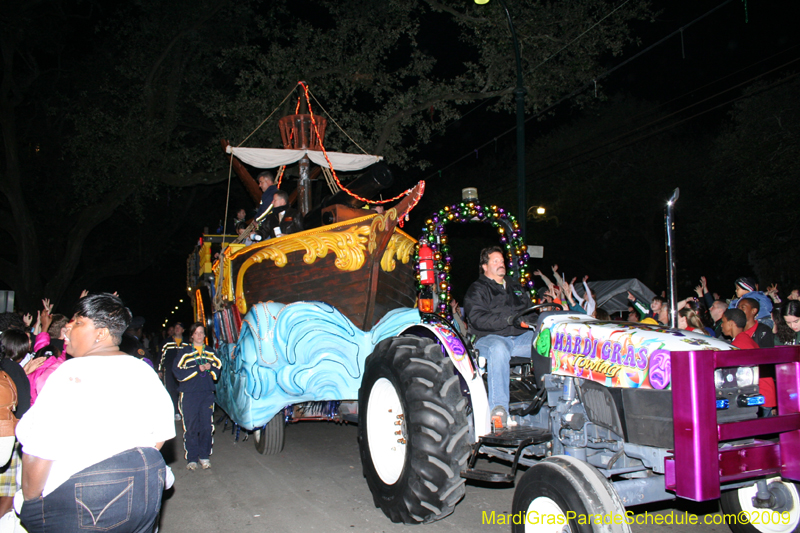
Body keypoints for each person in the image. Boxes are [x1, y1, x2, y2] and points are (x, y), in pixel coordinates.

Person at [15, 293, 175, 533]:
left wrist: (31, 504)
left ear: (100, 333)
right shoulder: (145, 372)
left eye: (78, 322)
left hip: (80, 506)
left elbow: (38, 453)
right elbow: (158, 437)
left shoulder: (70, 374)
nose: (68, 328)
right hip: (141, 499)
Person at [463, 246, 534, 427]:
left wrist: (531, 321)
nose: (501, 264)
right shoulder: (477, 289)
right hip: (488, 339)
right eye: (495, 261)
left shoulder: (516, 288)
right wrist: (508, 319)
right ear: (485, 266)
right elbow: (478, 319)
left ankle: (553, 397)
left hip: (519, 338)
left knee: (547, 343)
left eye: (502, 261)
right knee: (499, 349)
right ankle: (499, 410)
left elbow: (531, 312)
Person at [173, 322, 221, 470]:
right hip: (189, 394)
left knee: (207, 426)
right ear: (192, 335)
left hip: (206, 393)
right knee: (191, 427)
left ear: (205, 336)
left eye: (202, 332)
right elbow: (177, 372)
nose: (199, 335)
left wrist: (210, 367)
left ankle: (204, 456)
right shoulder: (185, 352)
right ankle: (192, 458)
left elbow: (218, 370)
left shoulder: (210, 352)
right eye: (197, 333)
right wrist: (196, 368)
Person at [159, 321, 187, 420]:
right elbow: (160, 357)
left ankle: (183, 410)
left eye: (180, 327)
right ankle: (174, 411)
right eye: (176, 327)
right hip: (170, 371)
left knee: (183, 391)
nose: (177, 328)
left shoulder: (186, 343)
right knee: (171, 391)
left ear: (183, 330)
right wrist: (159, 370)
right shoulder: (167, 342)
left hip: (183, 371)